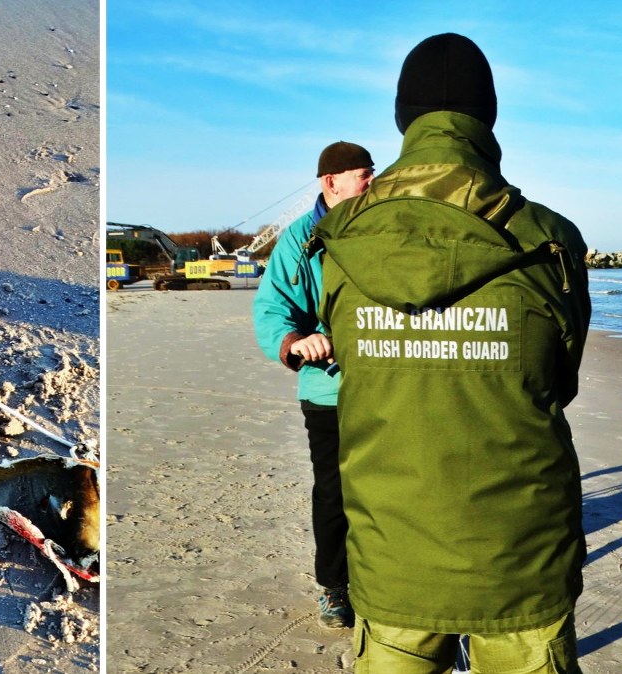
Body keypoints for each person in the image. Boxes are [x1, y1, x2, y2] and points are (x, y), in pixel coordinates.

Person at [313, 33, 591, 673]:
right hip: (519, 554)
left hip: (393, 552)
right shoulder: (549, 240)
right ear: (486, 117)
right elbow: (559, 378)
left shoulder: (343, 241)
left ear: (403, 120)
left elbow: (351, 364)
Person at [251, 141, 374, 628]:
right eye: (364, 174)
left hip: (392, 388)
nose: (373, 182)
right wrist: (296, 342)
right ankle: (334, 587)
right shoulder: (302, 240)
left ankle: (391, 580)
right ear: (331, 182)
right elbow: (272, 307)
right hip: (329, 390)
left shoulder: (387, 225)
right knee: (335, 493)